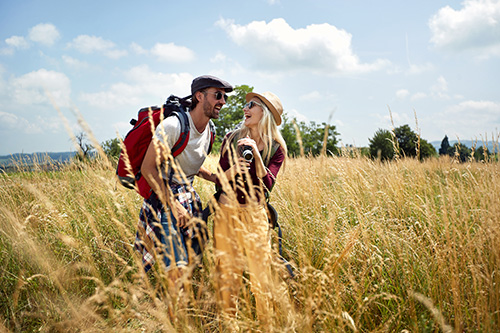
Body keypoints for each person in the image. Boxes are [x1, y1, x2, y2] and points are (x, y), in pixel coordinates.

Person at [135, 75, 233, 297]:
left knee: (189, 263)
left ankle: (168, 308)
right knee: (176, 270)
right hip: (166, 201)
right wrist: (174, 206)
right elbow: (148, 169)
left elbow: (190, 165)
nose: (223, 102)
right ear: (199, 96)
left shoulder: (211, 131)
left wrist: (219, 178)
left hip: (189, 200)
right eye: (218, 95)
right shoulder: (173, 126)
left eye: (224, 97)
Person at [212, 91, 287, 326]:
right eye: (246, 105)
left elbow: (268, 185)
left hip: (255, 215)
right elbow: (218, 179)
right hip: (226, 213)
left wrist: (256, 156)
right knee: (228, 278)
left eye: (251, 105)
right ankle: (229, 327)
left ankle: (266, 325)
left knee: (260, 277)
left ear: (264, 113)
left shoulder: (276, 148)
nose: (245, 108)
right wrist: (234, 168)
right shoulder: (231, 139)